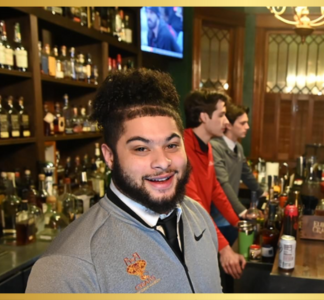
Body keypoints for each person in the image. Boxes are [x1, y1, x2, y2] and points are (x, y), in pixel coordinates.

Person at [26, 70, 221, 293]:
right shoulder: (65, 267)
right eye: (141, 148)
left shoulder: (199, 217)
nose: (163, 162)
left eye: (172, 145)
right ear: (110, 157)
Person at [183, 90, 246, 280]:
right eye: (221, 115)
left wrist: (238, 223)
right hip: (188, 234)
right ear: (203, 117)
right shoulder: (183, 148)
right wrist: (224, 249)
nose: (226, 122)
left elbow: (215, 190)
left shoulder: (207, 145)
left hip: (202, 229)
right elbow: (195, 206)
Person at [209, 103, 265, 245]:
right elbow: (223, 183)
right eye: (243, 123)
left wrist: (261, 192)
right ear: (229, 125)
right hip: (217, 217)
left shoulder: (238, 147)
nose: (247, 127)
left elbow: (246, 174)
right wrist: (242, 211)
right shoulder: (215, 147)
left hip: (231, 215)